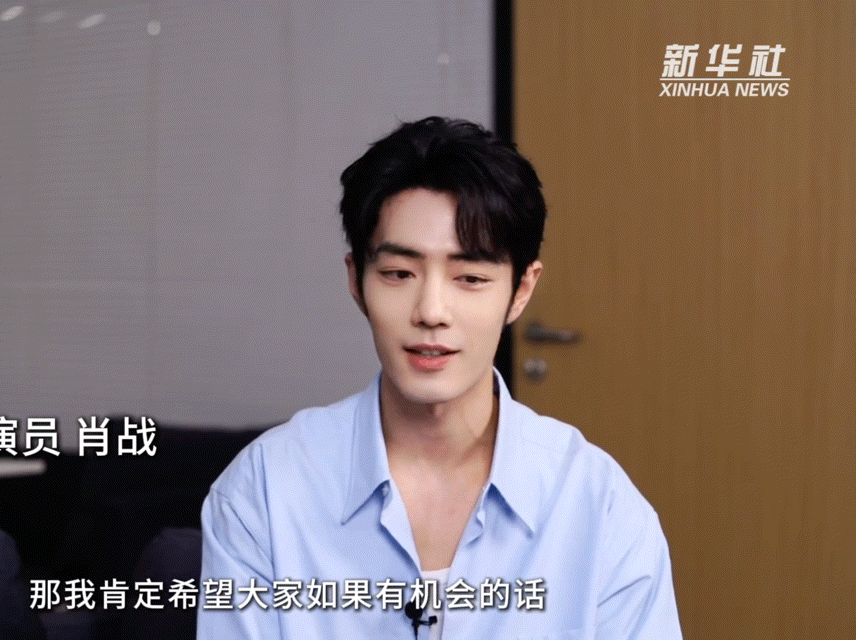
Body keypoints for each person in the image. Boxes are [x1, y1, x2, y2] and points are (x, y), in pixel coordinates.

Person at [197, 116, 683, 639]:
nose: (431, 311)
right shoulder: (265, 490)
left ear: (521, 290)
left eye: (470, 278)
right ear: (356, 281)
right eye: (398, 274)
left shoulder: (598, 506)